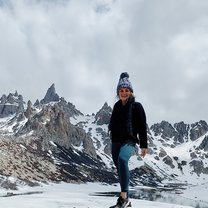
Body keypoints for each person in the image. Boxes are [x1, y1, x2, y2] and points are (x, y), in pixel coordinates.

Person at [108, 72, 148, 208]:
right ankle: (126, 201)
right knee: (119, 169)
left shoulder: (137, 106)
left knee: (122, 159)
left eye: (126, 90)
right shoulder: (116, 107)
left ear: (131, 92)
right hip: (116, 142)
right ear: (118, 92)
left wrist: (143, 145)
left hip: (130, 141)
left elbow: (142, 126)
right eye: (121, 90)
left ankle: (123, 197)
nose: (124, 93)